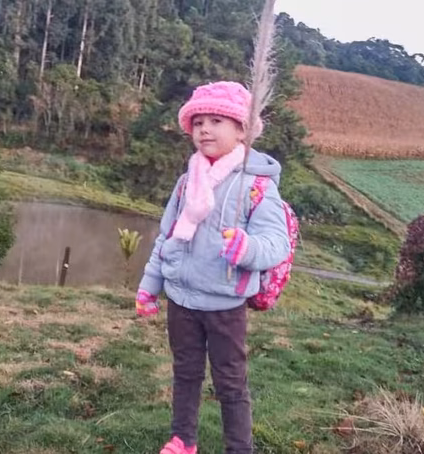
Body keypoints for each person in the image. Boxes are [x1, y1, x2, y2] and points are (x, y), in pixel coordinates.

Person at [134, 80, 292, 454]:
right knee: (185, 373)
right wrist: (149, 285)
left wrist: (247, 248)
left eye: (216, 120)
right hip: (181, 299)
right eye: (198, 121)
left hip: (224, 304)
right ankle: (183, 440)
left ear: (242, 130)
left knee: (230, 382)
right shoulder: (187, 181)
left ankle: (239, 448)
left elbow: (277, 244)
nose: (204, 129)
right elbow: (167, 236)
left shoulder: (257, 185)